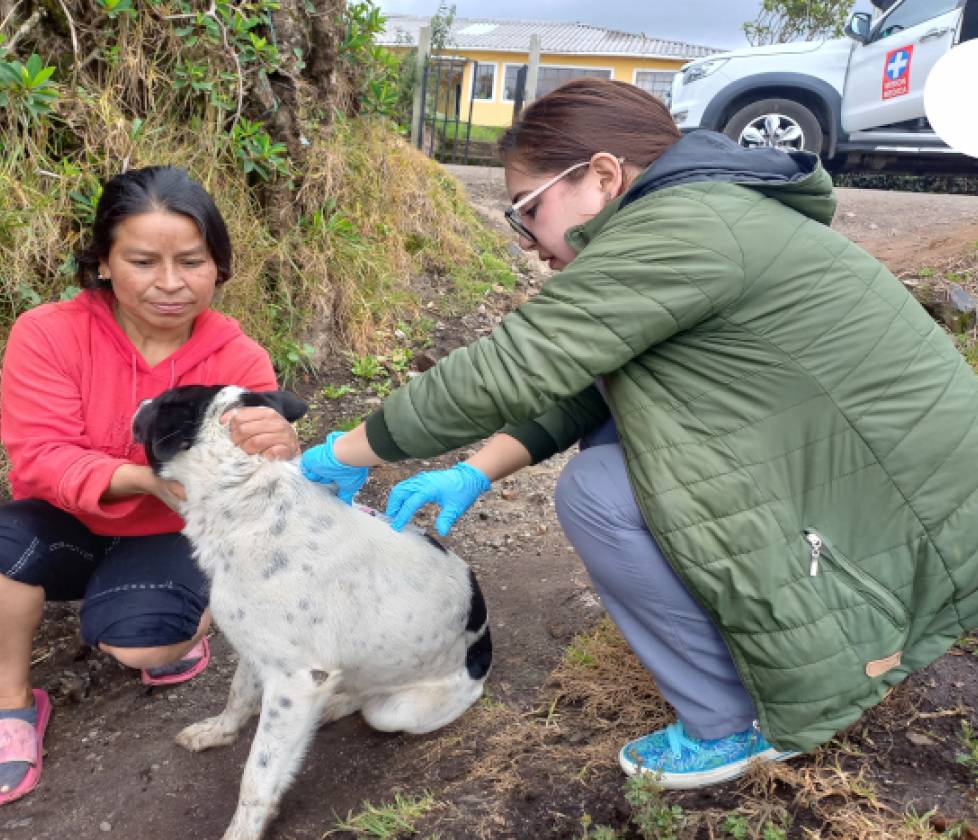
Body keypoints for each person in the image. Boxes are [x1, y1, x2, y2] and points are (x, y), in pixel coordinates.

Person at [300, 78, 978, 789]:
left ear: (600, 177)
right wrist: (476, 469)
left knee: (599, 491)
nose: (528, 245)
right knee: (624, 452)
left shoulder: (680, 229)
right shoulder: (702, 214)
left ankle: (731, 724)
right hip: (898, 483)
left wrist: (346, 450)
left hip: (919, 512)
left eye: (526, 213)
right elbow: (591, 387)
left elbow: (509, 368)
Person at [0, 166, 298, 805]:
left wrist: (277, 449)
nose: (170, 283)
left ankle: (181, 626)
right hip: (65, 523)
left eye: (191, 261)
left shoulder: (237, 358)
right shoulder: (47, 333)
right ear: (103, 262)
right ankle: (12, 705)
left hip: (171, 533)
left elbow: (256, 476)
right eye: (142, 260)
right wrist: (143, 478)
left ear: (217, 265)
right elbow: (40, 455)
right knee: (3, 544)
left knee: (144, 642)